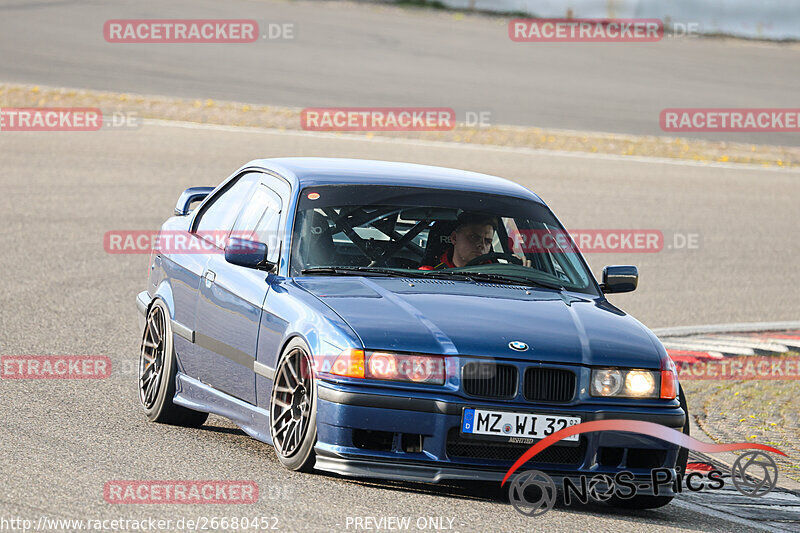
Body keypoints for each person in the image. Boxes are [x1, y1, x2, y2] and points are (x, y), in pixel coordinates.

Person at [420, 213, 497, 270]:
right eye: (474, 237)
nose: (482, 245)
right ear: (454, 238)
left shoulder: (500, 276)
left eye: (488, 241)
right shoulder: (428, 274)